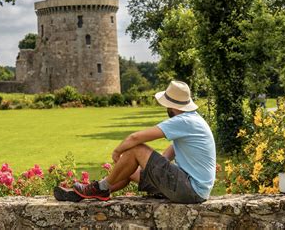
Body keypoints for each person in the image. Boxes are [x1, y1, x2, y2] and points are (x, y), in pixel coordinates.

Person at [54, 81, 216, 204]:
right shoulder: (193, 120)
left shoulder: (184, 121)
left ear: (170, 105)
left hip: (190, 189)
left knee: (136, 149)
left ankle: (101, 188)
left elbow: (135, 138)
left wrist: (117, 152)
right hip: (191, 189)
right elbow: (170, 152)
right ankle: (92, 191)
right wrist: (151, 170)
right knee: (128, 169)